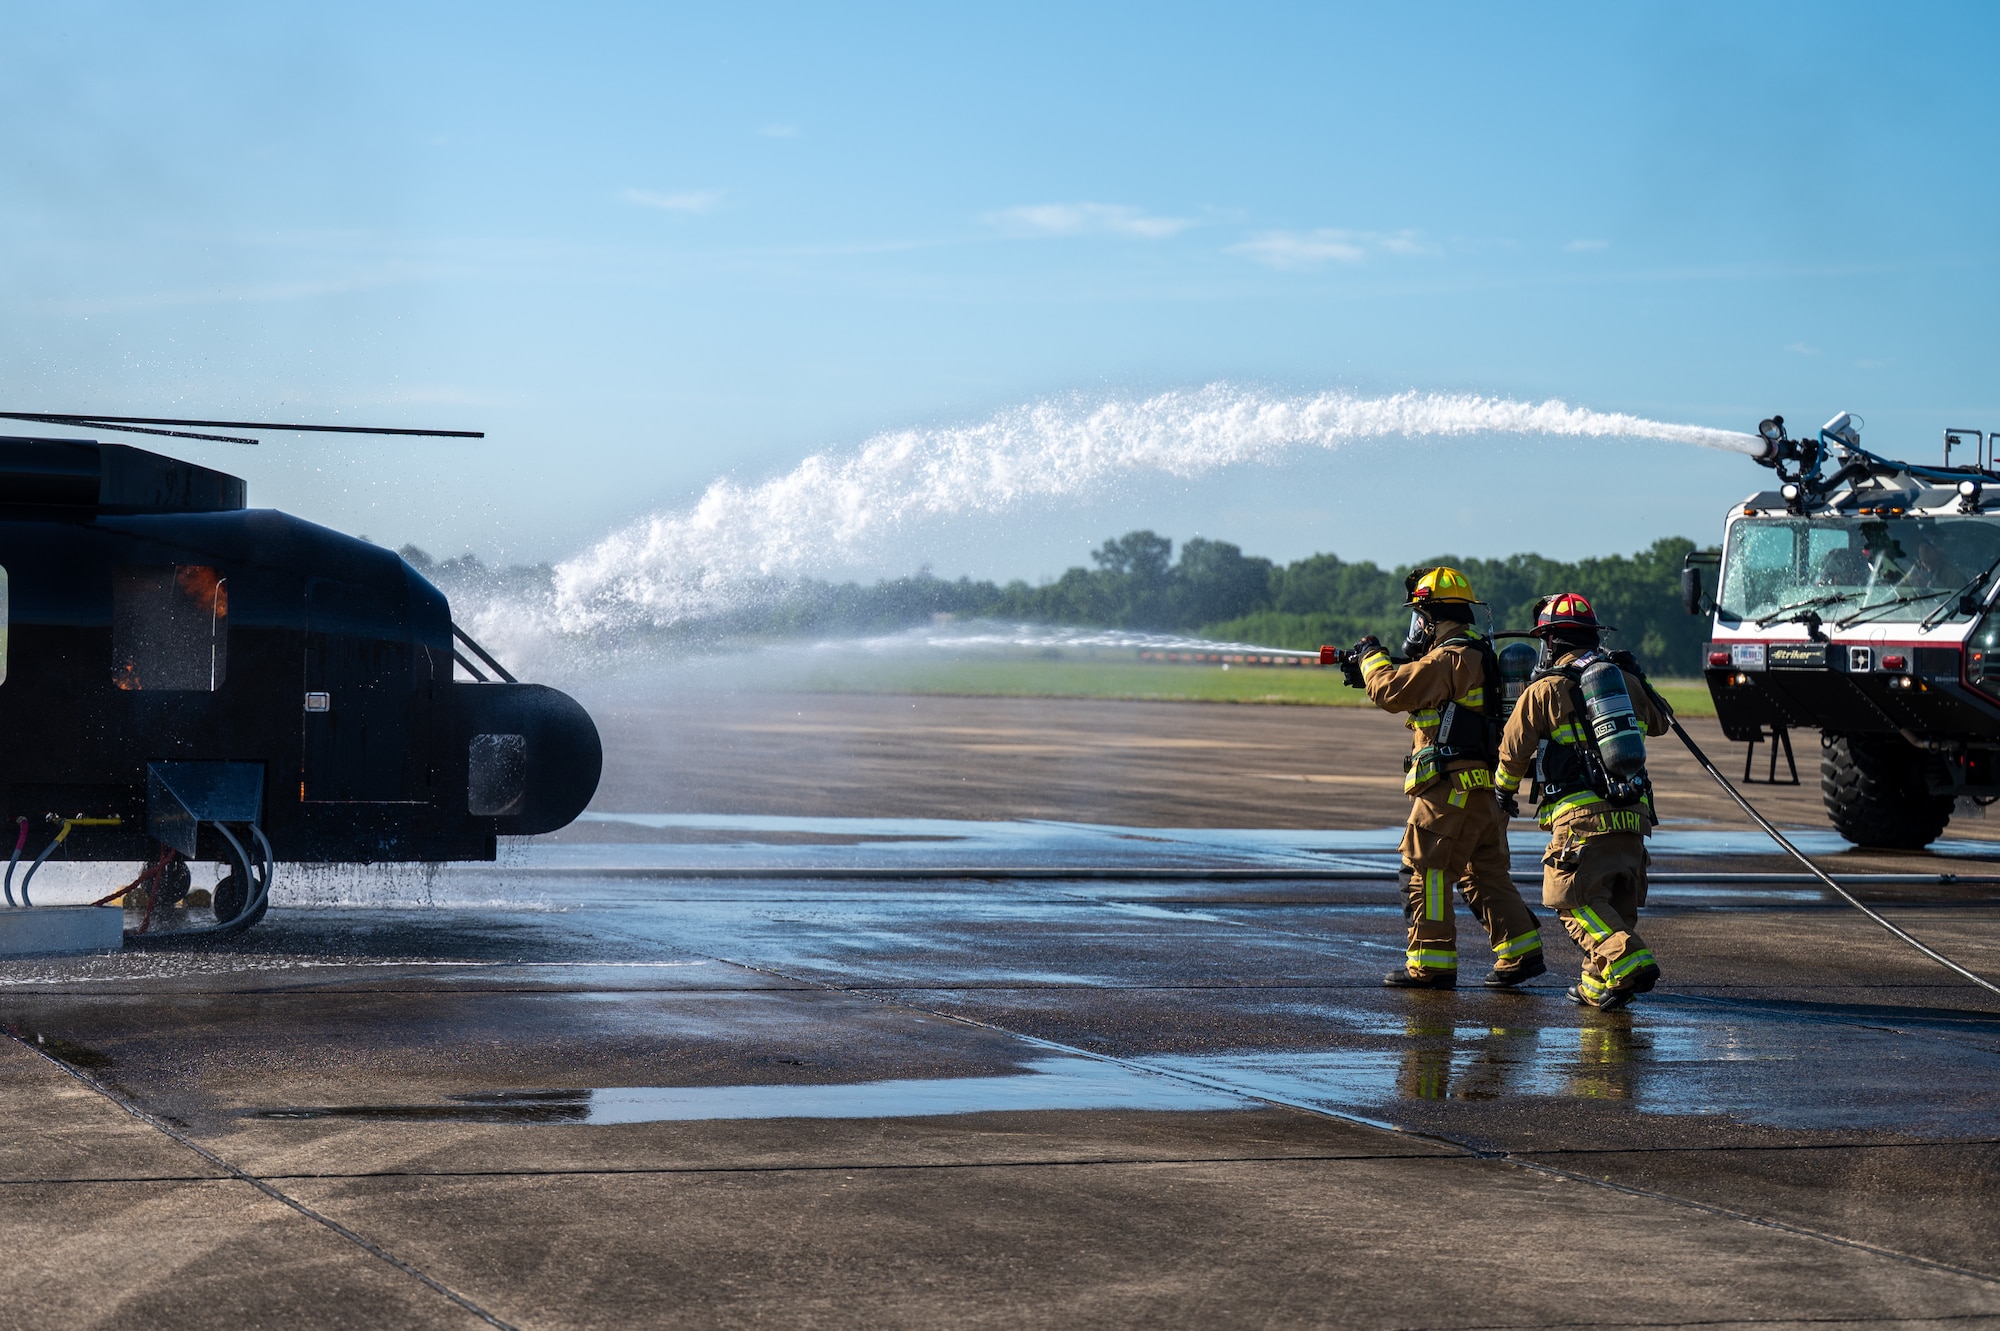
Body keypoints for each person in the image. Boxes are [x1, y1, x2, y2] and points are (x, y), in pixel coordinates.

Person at [1348, 566, 1546, 990]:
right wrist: (1366, 671)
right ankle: (1520, 951)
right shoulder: (1476, 654)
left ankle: (1431, 962)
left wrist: (1370, 658)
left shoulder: (1450, 657)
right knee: (1484, 873)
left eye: (1419, 616)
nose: (1416, 626)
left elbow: (1392, 691)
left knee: (1424, 870)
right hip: (1482, 792)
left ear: (1432, 617)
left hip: (1450, 793)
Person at [1494, 592, 1669, 1010]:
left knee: (1572, 899)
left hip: (1580, 819)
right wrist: (1638, 677)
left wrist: (1503, 792)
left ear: (1550, 643)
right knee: (1613, 903)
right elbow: (1661, 722)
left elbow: (1512, 750)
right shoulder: (1622, 682)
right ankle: (1596, 985)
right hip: (1632, 817)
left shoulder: (1545, 690)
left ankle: (1630, 961)